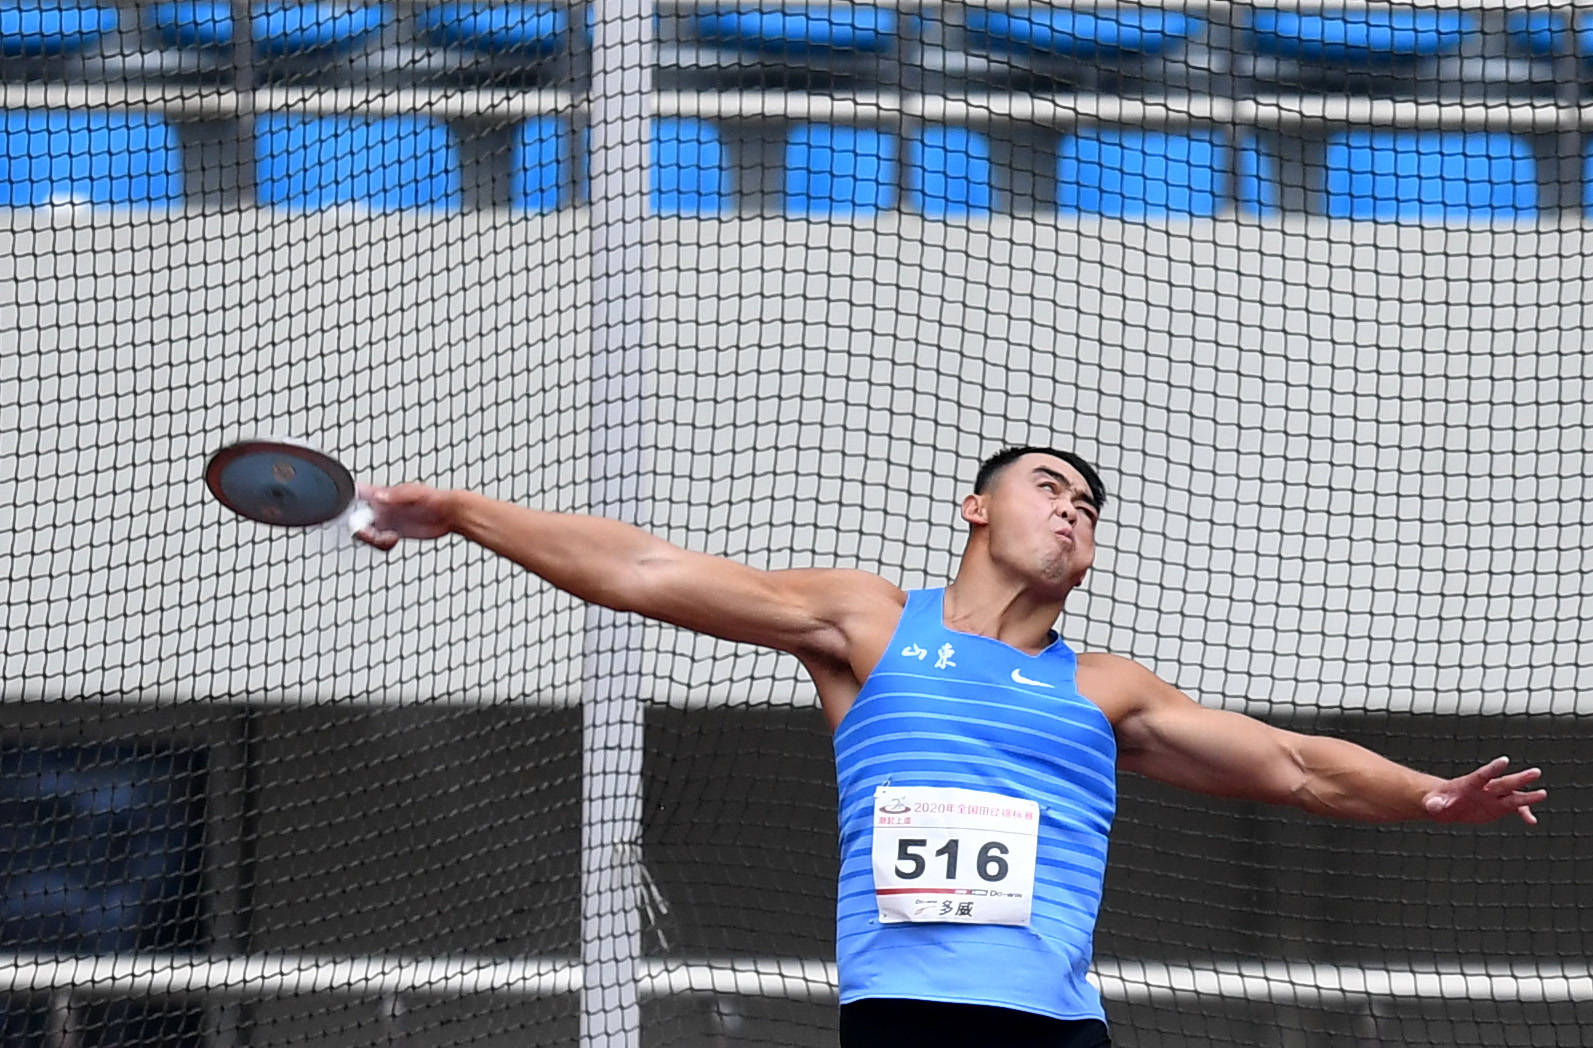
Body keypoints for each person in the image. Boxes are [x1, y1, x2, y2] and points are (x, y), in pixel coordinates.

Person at [352, 446, 1546, 1048]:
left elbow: (1288, 762)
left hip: (1058, 1027)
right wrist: (463, 513)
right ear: (977, 507)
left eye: (1088, 506)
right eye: (1048, 487)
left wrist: (1426, 797)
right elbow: (648, 572)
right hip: (906, 1013)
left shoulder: (1103, 687)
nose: (1072, 510)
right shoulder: (868, 622)